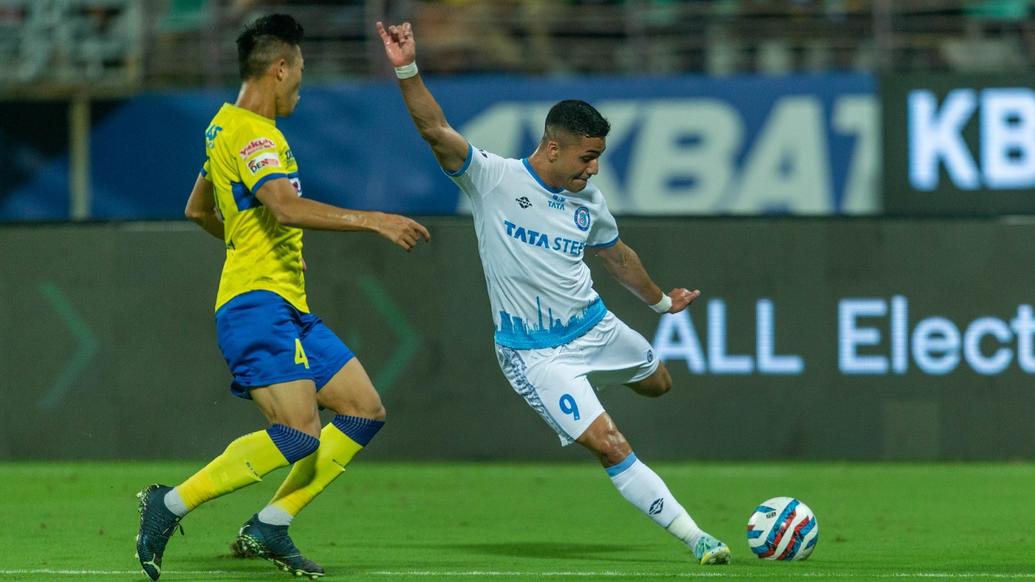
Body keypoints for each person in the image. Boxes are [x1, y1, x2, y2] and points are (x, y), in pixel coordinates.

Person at [376, 20, 731, 567]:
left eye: (598, 157)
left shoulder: (589, 203)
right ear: (551, 147)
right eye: (586, 157)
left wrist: (662, 302)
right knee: (610, 444)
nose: (593, 168)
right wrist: (406, 67)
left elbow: (618, 258)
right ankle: (697, 538)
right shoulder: (492, 180)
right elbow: (435, 129)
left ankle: (593, 394)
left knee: (660, 383)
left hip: (595, 326)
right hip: (535, 353)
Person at [134, 14, 430, 581]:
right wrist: (374, 220)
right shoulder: (256, 136)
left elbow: (198, 210)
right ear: (280, 67)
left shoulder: (222, 127)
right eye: (299, 72)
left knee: (363, 410)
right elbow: (286, 207)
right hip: (256, 306)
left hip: (285, 305)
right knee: (298, 433)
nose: (301, 85)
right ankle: (168, 505)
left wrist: (249, 241)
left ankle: (271, 524)